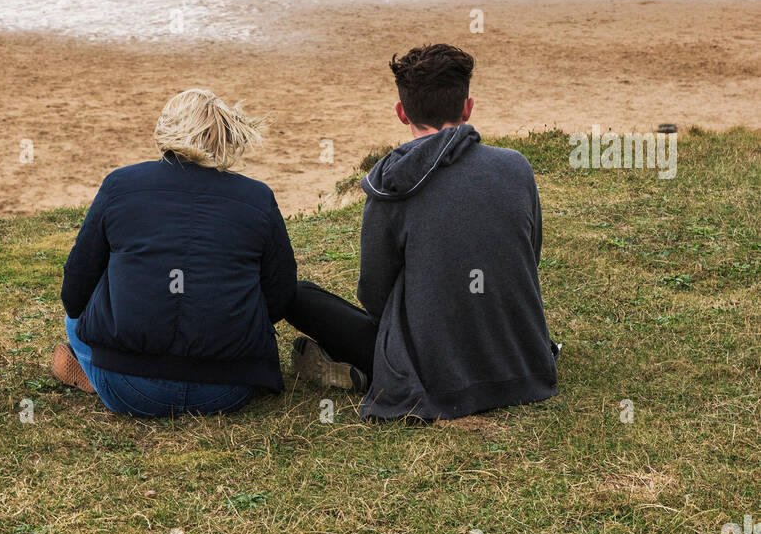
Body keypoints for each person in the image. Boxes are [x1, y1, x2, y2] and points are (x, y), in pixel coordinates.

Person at [286, 43, 559, 421]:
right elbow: (530, 255)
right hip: (521, 361)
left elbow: (373, 293)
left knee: (298, 295)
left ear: (401, 113)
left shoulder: (391, 184)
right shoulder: (516, 167)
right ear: (467, 108)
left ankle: (354, 369)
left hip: (433, 374)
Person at [52, 88, 297, 418]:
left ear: (166, 129)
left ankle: (97, 376)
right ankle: (101, 374)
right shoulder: (257, 197)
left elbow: (74, 293)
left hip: (130, 389)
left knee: (82, 307)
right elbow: (281, 295)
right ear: (225, 134)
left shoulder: (120, 184)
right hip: (227, 390)